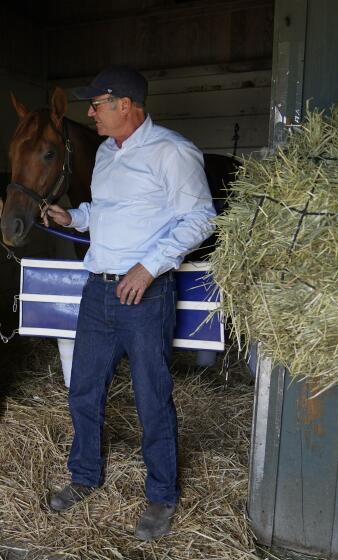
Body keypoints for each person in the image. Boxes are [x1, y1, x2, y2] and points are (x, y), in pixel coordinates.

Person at [43, 66, 215, 541]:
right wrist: (74, 217)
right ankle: (84, 477)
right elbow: (106, 212)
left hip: (144, 292)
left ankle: (160, 496)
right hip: (98, 289)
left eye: (97, 104)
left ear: (126, 105)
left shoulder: (172, 152)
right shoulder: (104, 152)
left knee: (151, 396)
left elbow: (201, 218)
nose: (90, 112)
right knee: (84, 389)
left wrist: (149, 266)